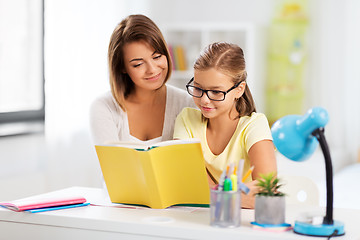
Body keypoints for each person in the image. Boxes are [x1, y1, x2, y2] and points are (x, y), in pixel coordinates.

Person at [173, 42, 277, 209]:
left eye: (216, 92)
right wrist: (235, 196)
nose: (204, 99)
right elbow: (188, 183)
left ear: (239, 89)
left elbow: (267, 191)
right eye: (198, 88)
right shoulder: (186, 119)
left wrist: (208, 193)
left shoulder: (254, 125)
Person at [90, 14, 195, 145]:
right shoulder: (104, 107)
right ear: (122, 67)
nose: (152, 69)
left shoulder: (188, 104)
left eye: (157, 57)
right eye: (138, 64)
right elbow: (110, 164)